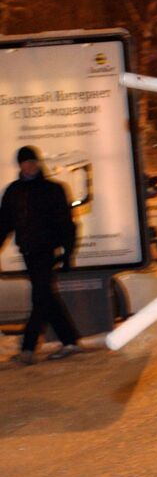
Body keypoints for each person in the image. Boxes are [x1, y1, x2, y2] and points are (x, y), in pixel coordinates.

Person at [0, 146, 81, 365]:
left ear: (38, 163)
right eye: (25, 162)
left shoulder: (52, 189)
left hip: (45, 251)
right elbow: (3, 224)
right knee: (46, 297)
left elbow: (66, 224)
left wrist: (67, 252)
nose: (30, 166)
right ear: (20, 165)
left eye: (33, 161)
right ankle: (70, 340)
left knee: (40, 297)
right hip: (28, 251)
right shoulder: (13, 192)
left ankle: (27, 349)